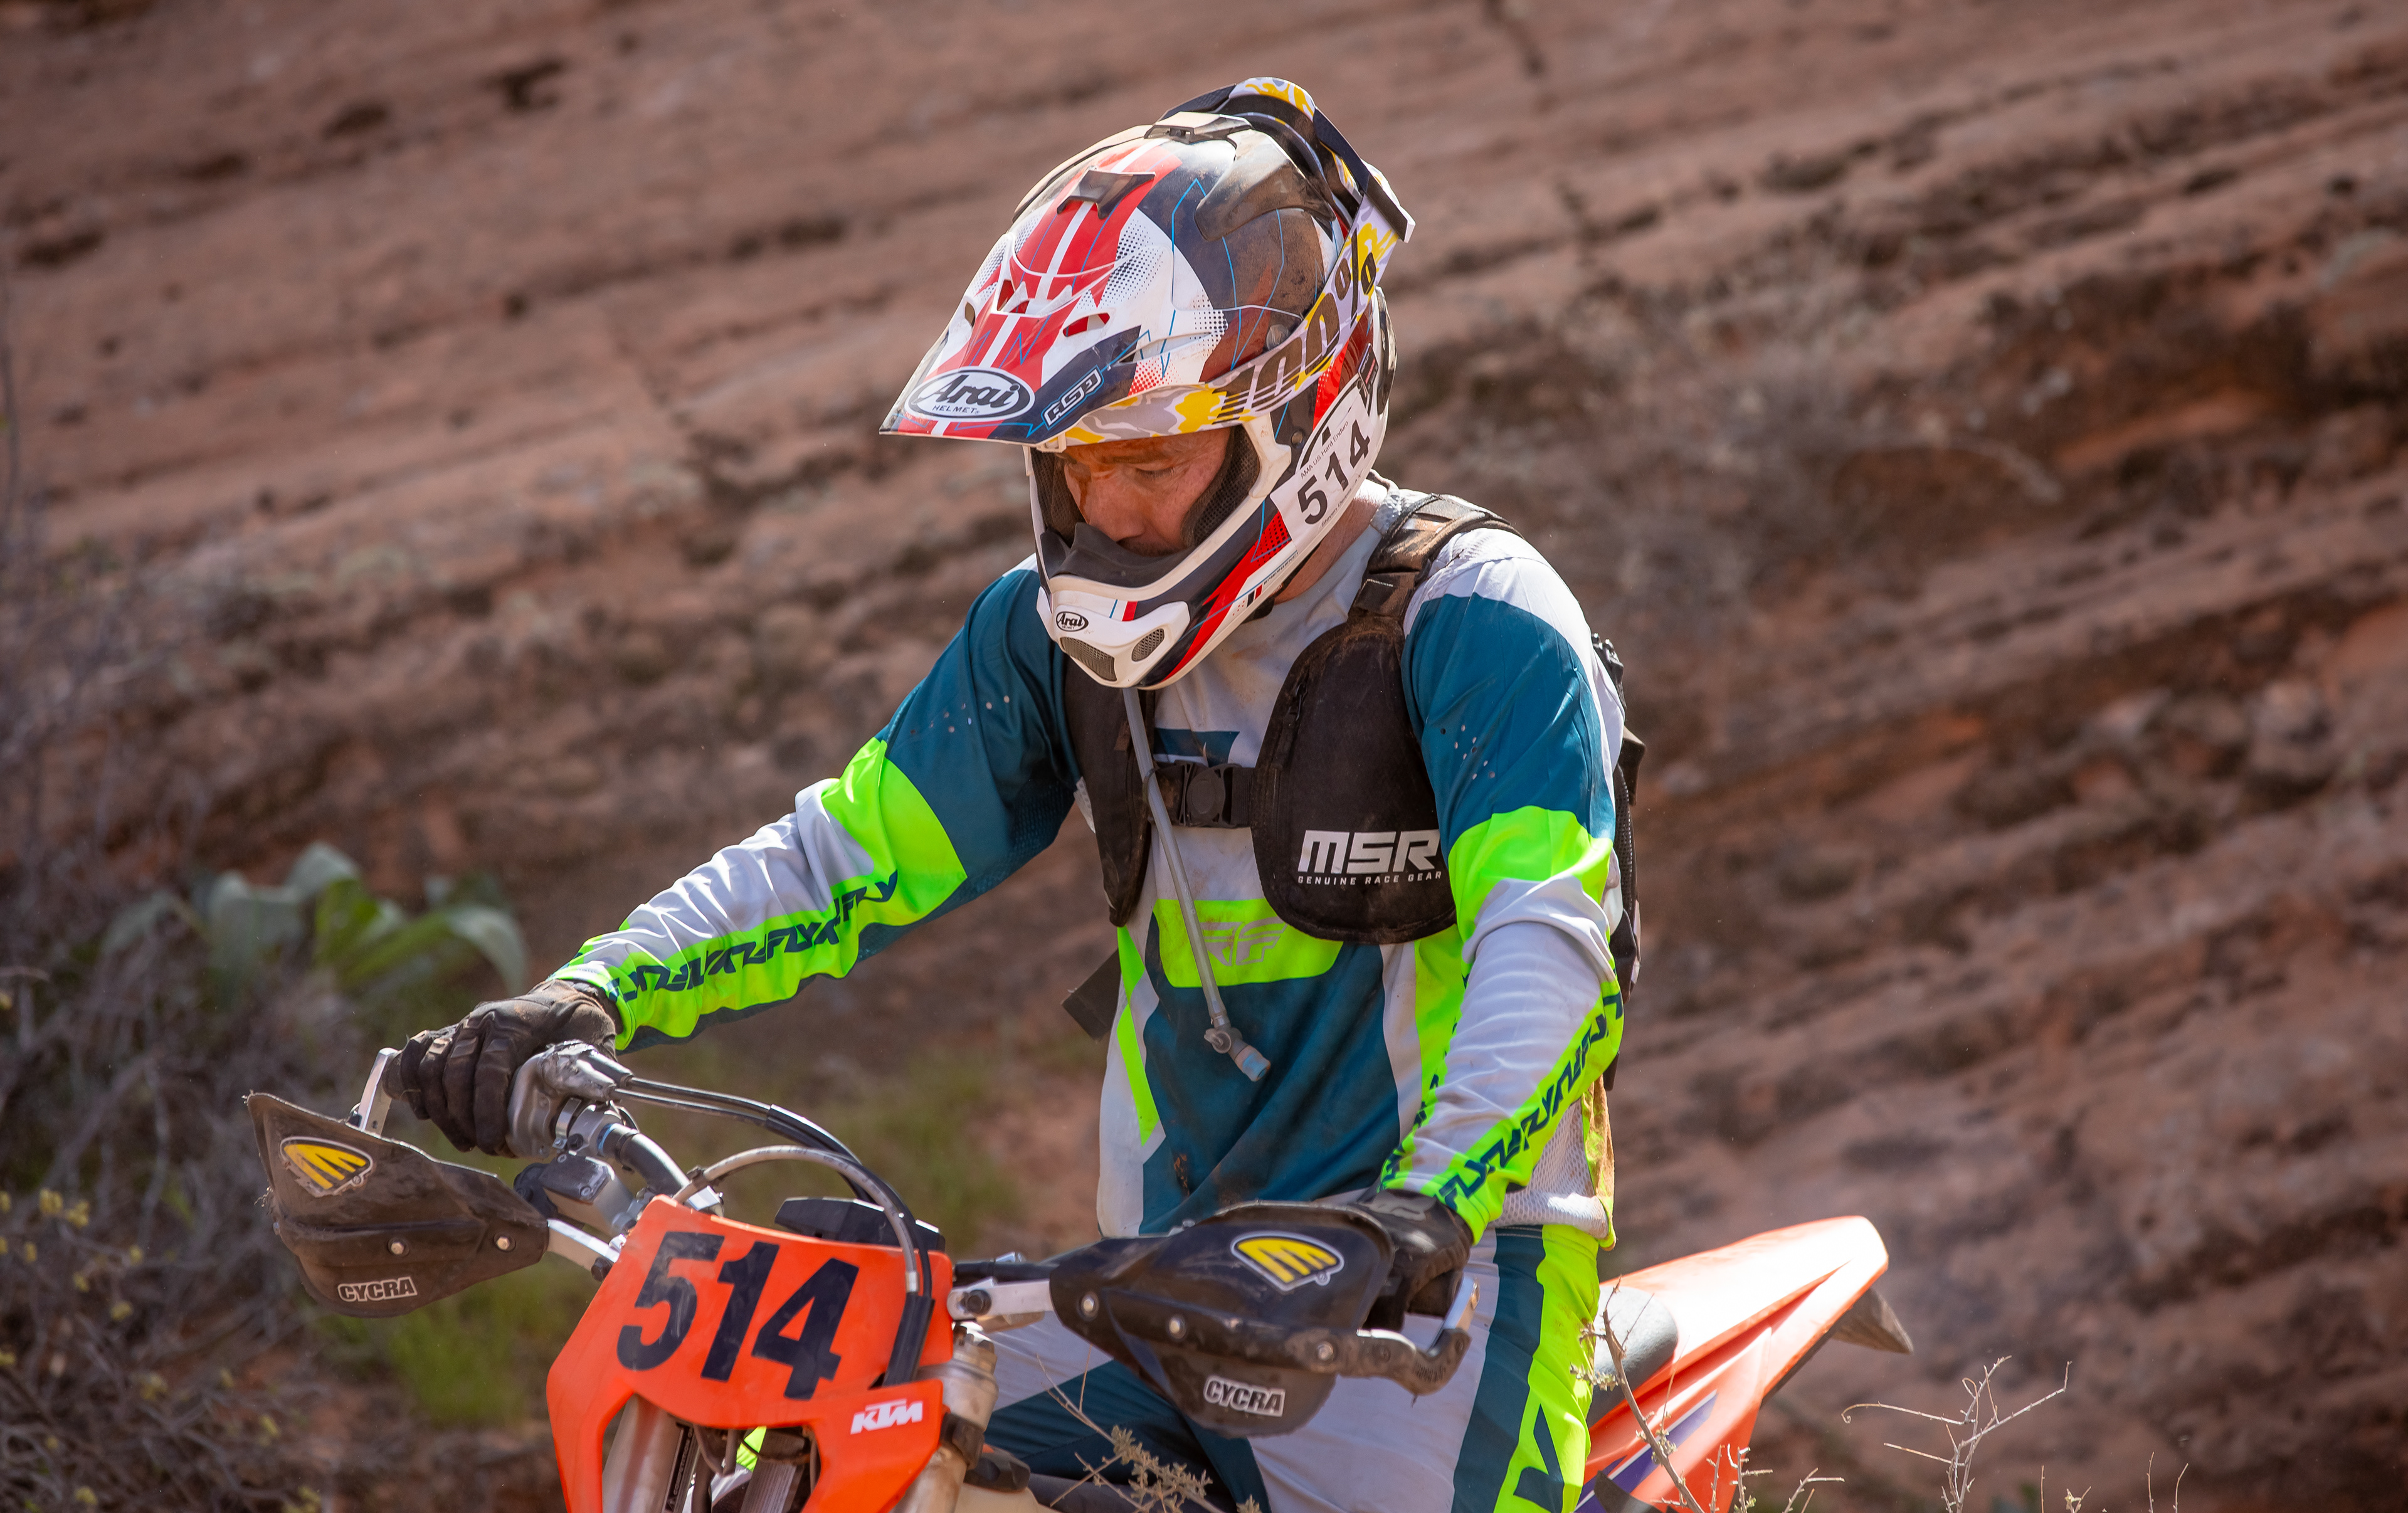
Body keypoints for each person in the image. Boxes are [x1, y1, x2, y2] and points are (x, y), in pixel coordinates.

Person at [394, 78, 1628, 1513]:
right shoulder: (1044, 637)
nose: (1107, 512)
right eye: (1075, 462)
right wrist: (587, 993)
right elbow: (848, 850)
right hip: (1154, 1286)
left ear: (1299, 415)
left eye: (1149, 458)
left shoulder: (1474, 618)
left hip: (1439, 1291)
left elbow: (1549, 940)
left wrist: (1418, 1211)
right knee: (843, 1467)